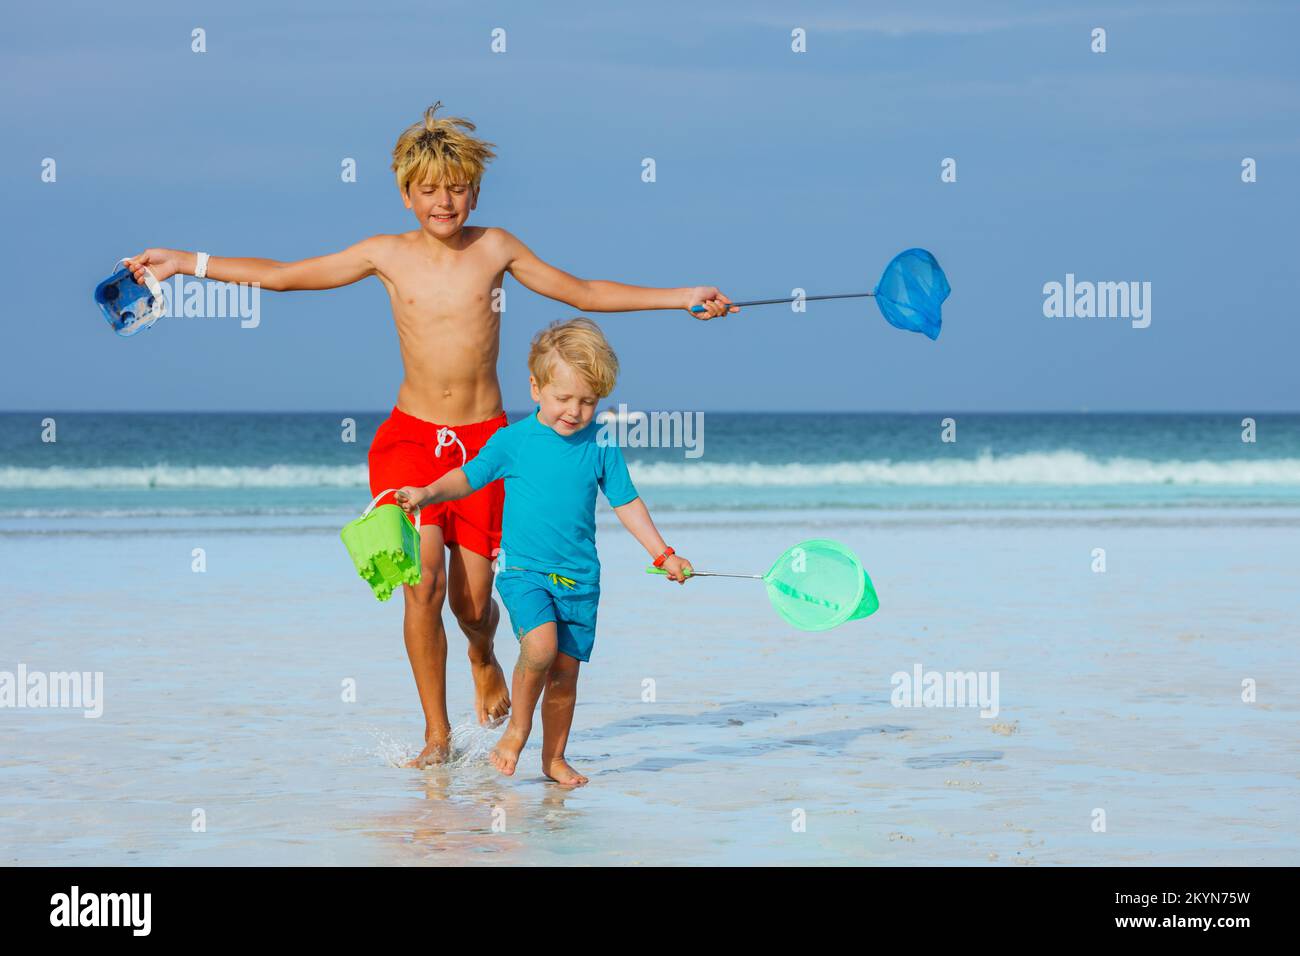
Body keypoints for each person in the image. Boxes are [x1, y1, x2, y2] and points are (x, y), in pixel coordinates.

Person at [124, 102, 734, 767]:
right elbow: (283, 276)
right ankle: (436, 735)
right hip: (410, 439)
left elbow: (582, 292)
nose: (444, 201)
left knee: (474, 605)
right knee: (424, 584)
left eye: (456, 187)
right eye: (428, 189)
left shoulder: (495, 248)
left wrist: (679, 296)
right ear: (406, 192)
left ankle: (482, 654)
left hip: (486, 442)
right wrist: (187, 261)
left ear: (475, 188)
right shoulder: (385, 255)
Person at [394, 318, 692, 786]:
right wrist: (428, 492)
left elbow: (627, 503)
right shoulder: (513, 441)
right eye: (563, 398)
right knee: (540, 646)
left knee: (565, 676)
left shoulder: (600, 446)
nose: (574, 411)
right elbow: (469, 477)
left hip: (580, 578)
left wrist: (663, 554)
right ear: (536, 388)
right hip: (524, 571)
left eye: (588, 401)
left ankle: (553, 759)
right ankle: (517, 729)